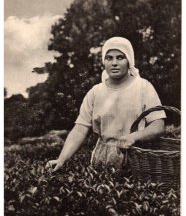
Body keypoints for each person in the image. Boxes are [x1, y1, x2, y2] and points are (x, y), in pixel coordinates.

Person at [46, 37, 166, 172]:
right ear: (104, 61)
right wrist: (61, 159)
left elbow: (158, 126)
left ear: (129, 60)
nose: (114, 63)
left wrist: (133, 137)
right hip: (103, 161)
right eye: (109, 58)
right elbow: (80, 130)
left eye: (120, 57)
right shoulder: (96, 92)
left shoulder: (143, 87)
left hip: (138, 159)